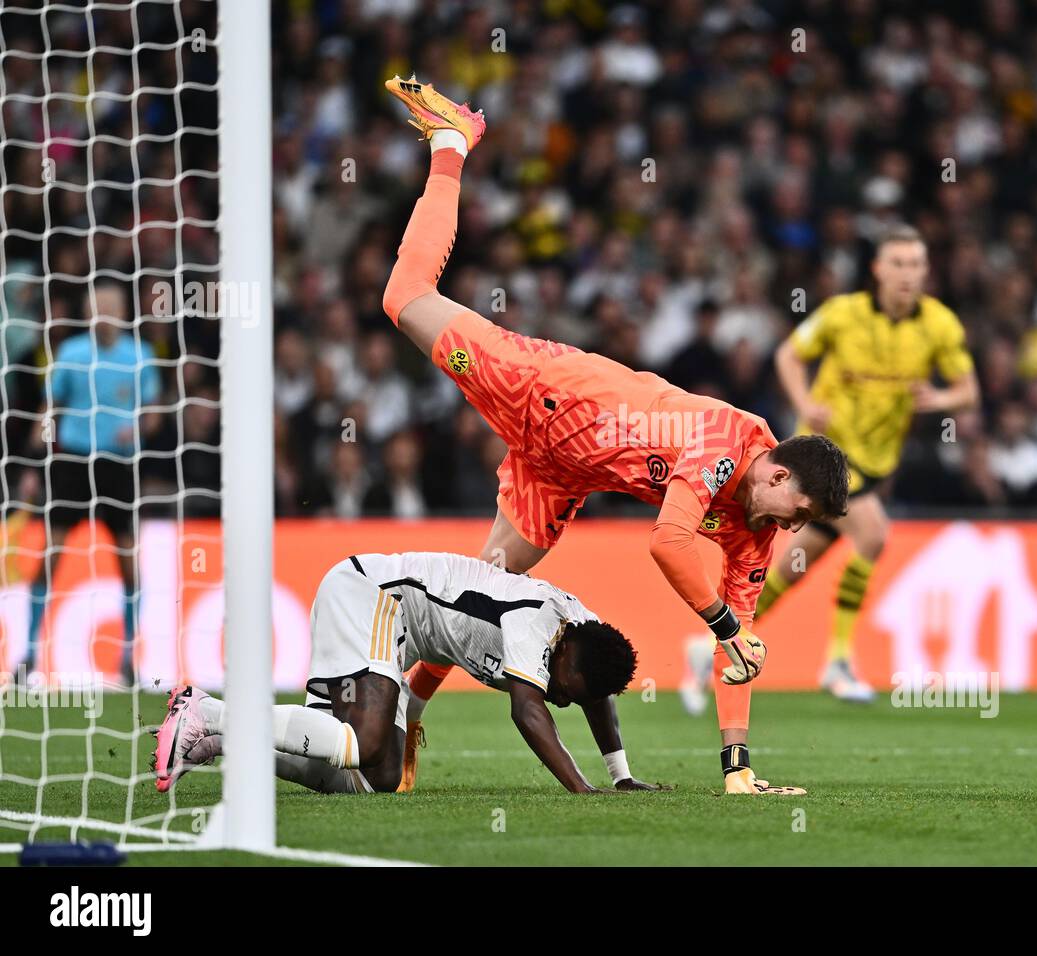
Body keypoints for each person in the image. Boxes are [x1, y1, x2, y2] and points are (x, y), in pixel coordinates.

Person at [380, 77, 849, 794]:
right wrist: (726, 625)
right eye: (801, 515)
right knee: (404, 297)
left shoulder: (754, 528)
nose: (793, 532)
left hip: (561, 473)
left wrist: (737, 763)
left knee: (486, 587)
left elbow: (741, 648)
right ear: (779, 475)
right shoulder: (726, 440)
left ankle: (407, 713)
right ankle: (452, 142)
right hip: (545, 392)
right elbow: (666, 543)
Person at [154, 551, 660, 795]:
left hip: (394, 640)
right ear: (565, 647)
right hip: (373, 596)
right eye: (566, 688)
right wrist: (581, 788)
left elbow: (598, 693)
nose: (563, 699)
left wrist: (621, 776)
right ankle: (207, 710)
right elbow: (527, 711)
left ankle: (216, 743)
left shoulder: (584, 635)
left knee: (373, 778)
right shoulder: (536, 624)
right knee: (364, 743)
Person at [760, 225, 979, 701]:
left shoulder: (939, 325)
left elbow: (968, 393)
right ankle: (838, 662)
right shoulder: (842, 314)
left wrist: (936, 398)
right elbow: (789, 356)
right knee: (874, 533)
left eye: (916, 264)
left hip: (877, 461)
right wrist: (804, 400)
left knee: (799, 563)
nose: (907, 273)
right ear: (878, 269)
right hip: (824, 450)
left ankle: (718, 642)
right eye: (898, 263)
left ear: (926, 271)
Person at [24, 280, 159, 686]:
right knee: (51, 554)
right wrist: (33, 461)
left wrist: (137, 430)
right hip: (73, 462)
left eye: (111, 306)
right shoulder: (71, 353)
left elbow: (152, 411)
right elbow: (50, 408)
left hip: (117, 466)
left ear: (122, 312)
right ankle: (28, 653)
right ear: (87, 313)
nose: (103, 314)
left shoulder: (141, 355)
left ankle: (128, 658)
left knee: (127, 561)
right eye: (96, 306)